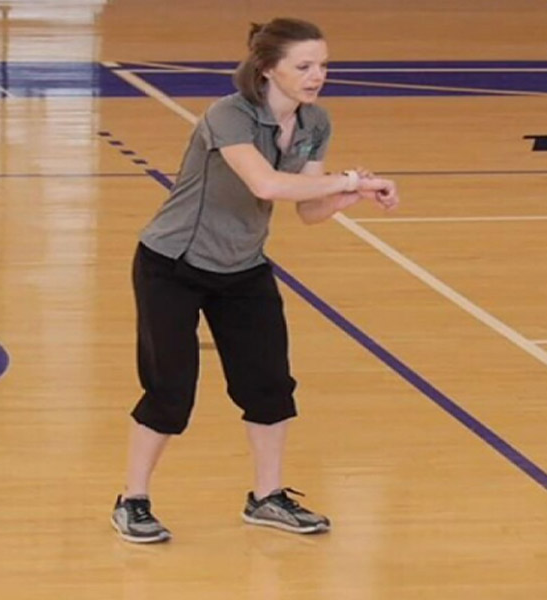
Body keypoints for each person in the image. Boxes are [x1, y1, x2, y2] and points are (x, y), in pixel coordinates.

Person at [110, 17, 399, 544]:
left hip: (242, 267)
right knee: (170, 391)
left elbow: (308, 210)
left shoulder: (315, 123)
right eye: (304, 66)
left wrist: (350, 195)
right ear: (267, 68)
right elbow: (264, 183)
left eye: (323, 65)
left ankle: (267, 497)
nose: (317, 76)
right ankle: (133, 500)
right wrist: (347, 179)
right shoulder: (229, 115)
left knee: (269, 387)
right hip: (172, 265)